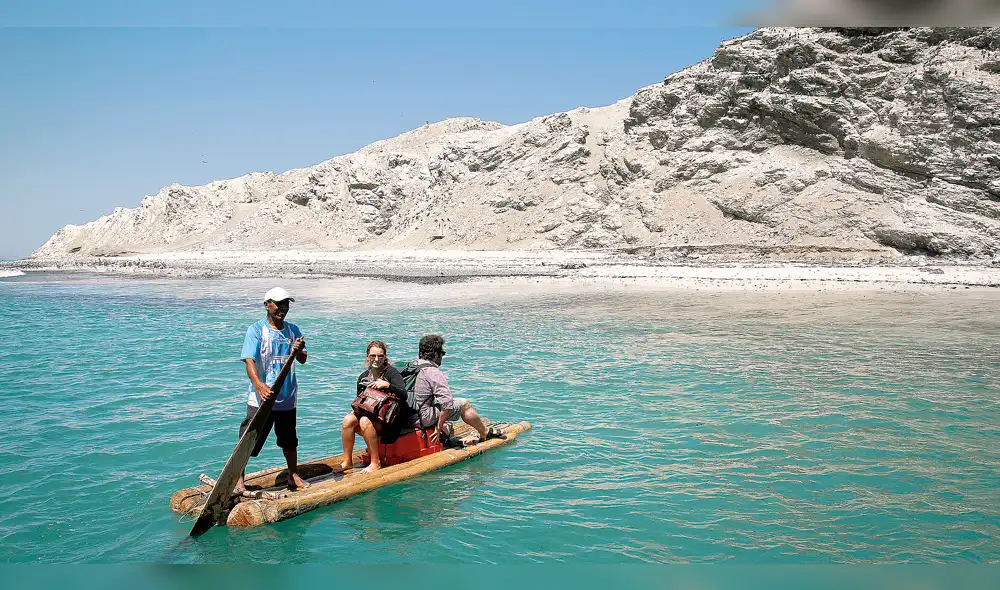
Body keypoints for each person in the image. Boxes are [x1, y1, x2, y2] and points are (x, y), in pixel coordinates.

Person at [236, 286, 310, 492]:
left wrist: (297, 351)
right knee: (249, 439)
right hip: (261, 398)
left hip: (287, 397)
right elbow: (249, 360)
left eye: (286, 304)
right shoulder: (256, 330)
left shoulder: (293, 330)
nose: (283, 308)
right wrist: (259, 386)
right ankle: (238, 479)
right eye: (279, 304)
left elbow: (303, 359)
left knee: (289, 440)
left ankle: (292, 475)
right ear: (267, 305)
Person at [408, 334, 505, 446]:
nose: (442, 356)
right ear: (436, 354)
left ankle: (447, 430)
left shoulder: (411, 366)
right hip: (421, 418)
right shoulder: (432, 372)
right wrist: (439, 426)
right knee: (464, 404)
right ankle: (485, 432)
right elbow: (448, 405)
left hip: (406, 417)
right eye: (442, 353)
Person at [336, 340, 408, 474]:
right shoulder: (363, 377)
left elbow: (404, 394)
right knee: (347, 420)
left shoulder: (391, 373)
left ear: (385, 357)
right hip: (369, 415)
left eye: (380, 356)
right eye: (373, 356)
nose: (376, 359)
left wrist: (387, 385)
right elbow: (360, 402)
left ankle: (375, 462)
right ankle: (347, 461)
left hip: (388, 421)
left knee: (364, 421)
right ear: (367, 357)